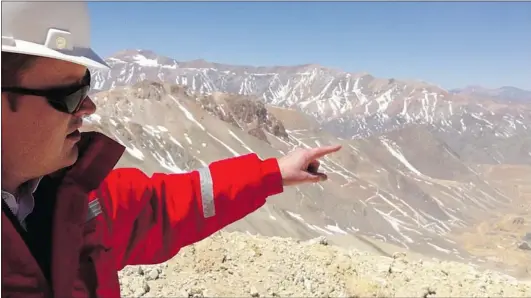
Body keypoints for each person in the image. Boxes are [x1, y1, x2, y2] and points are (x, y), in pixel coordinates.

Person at [1, 2, 342, 298]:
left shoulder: (77, 200)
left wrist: (272, 174)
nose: (88, 106)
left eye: (86, 85)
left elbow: (165, 207)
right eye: (68, 94)